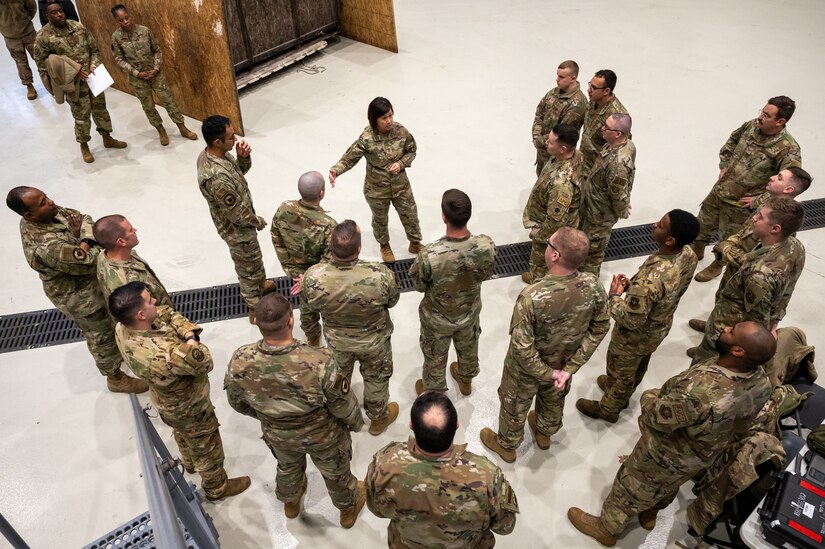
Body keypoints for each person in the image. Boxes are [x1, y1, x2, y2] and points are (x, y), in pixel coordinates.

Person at [567, 320, 775, 547]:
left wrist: (649, 396)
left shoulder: (700, 391)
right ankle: (649, 514)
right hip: (702, 454)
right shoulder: (761, 381)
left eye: (732, 332)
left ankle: (607, 528)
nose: (726, 328)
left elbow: (658, 418)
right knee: (669, 486)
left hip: (667, 452)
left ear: (738, 351)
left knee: (632, 485)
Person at [224, 293, 366, 527]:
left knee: (287, 466)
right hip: (323, 435)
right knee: (336, 472)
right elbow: (341, 403)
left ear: (257, 324)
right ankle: (347, 509)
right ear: (291, 320)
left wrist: (267, 416)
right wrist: (356, 422)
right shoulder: (319, 360)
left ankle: (291, 502)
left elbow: (237, 402)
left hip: (278, 435)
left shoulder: (240, 360)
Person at [110, 282, 250, 501]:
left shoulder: (123, 328)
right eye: (149, 300)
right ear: (140, 314)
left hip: (165, 401)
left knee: (182, 434)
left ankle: (189, 462)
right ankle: (217, 487)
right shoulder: (165, 354)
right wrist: (191, 338)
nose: (154, 301)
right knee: (206, 445)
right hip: (190, 406)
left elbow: (166, 312)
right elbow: (204, 361)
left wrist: (183, 330)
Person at [481, 227, 609, 463]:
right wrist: (568, 369)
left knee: (515, 405)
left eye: (549, 244)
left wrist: (546, 372)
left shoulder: (531, 296)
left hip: (526, 372)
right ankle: (544, 433)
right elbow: (600, 327)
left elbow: (522, 348)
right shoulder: (594, 285)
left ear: (555, 255)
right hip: (563, 365)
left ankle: (507, 445)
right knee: (553, 400)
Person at [6, 186, 147, 394]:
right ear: (30, 215)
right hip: (80, 297)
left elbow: (83, 218)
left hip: (92, 282)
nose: (51, 202)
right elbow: (88, 261)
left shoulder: (47, 212)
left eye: (46, 197)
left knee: (116, 320)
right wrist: (90, 244)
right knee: (101, 336)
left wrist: (83, 243)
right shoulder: (45, 246)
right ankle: (115, 378)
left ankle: (126, 350)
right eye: (43, 202)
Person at [576, 209, 699, 423]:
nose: (654, 225)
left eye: (660, 225)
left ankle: (609, 408)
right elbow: (670, 291)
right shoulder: (688, 255)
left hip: (634, 338)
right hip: (658, 327)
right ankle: (622, 393)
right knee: (639, 365)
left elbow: (631, 320)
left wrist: (614, 296)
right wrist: (633, 288)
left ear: (670, 240)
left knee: (620, 372)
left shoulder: (651, 280)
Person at [366, 391, 519, 548]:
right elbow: (505, 526)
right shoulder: (487, 477)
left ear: (411, 426)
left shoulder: (384, 463)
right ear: (457, 425)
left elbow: (377, 510)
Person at [300, 220, 401, 435]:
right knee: (376, 379)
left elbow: (308, 309)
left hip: (338, 343)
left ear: (332, 247)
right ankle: (378, 419)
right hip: (374, 342)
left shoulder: (313, 278)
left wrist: (311, 335)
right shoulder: (380, 275)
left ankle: (347, 419)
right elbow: (392, 301)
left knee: (339, 381)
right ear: (359, 248)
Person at [689, 197, 806, 364]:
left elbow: (756, 322)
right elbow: (788, 291)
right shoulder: (795, 246)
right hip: (738, 322)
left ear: (775, 228)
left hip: (730, 327)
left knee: (705, 366)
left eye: (761, 217)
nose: (754, 218)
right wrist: (775, 322)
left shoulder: (760, 275)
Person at [693, 97, 802, 267]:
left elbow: (787, 188)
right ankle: (696, 251)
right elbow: (733, 139)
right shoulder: (752, 126)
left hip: (739, 206)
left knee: (728, 240)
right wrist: (725, 164)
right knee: (702, 225)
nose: (760, 117)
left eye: (766, 115)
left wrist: (758, 200)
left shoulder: (788, 150)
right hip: (719, 191)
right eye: (762, 112)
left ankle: (716, 266)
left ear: (780, 121)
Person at [409, 189, 496, 396]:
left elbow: (419, 285)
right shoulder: (486, 245)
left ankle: (433, 388)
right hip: (469, 313)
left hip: (437, 319)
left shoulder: (430, 254)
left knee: (435, 355)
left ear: (443, 217)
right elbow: (486, 273)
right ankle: (465, 380)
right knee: (468, 348)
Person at [196, 114, 274, 324]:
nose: (236, 140)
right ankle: (254, 305)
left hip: (241, 222)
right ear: (217, 141)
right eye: (231, 137)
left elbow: (239, 175)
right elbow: (236, 214)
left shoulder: (218, 155)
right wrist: (257, 221)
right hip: (237, 230)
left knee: (254, 261)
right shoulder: (216, 176)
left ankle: (259, 285)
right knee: (247, 267)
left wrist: (242, 158)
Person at [329, 97, 424, 263]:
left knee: (410, 214)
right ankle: (384, 245)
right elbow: (350, 158)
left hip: (400, 185)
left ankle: (415, 243)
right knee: (380, 219)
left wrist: (401, 163)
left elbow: (411, 151)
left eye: (390, 116)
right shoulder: (367, 138)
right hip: (376, 189)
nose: (389, 121)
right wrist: (336, 170)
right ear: (374, 119)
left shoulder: (400, 131)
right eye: (384, 118)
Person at [33, 1, 127, 163]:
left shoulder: (77, 26)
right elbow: (43, 64)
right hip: (73, 84)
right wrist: (72, 74)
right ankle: (84, 145)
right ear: (46, 16)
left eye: (60, 11)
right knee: (81, 116)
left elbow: (94, 49)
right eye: (54, 13)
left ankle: (107, 138)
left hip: (93, 77)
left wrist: (93, 64)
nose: (59, 14)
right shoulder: (43, 37)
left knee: (101, 110)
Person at [693, 166, 811, 283]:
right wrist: (732, 242)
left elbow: (761, 263)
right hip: (734, 269)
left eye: (779, 178)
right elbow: (745, 230)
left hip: (746, 278)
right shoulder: (768, 204)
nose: (771, 177)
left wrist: (727, 250)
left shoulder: (783, 223)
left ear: (788, 189)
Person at [109, 4, 197, 145]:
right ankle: (161, 131)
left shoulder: (144, 31)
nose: (125, 22)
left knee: (169, 101)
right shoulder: (116, 37)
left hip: (156, 74)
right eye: (121, 20)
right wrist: (137, 73)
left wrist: (156, 68)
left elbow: (157, 50)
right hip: (138, 79)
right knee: (148, 106)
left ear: (130, 15)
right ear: (116, 20)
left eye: (127, 18)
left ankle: (182, 128)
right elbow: (119, 59)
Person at [521, 124, 582, 284]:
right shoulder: (573, 155)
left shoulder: (561, 184)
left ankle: (538, 281)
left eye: (551, 141)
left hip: (548, 231)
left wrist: (540, 236)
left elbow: (556, 220)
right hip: (552, 219)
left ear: (562, 149)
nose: (546, 142)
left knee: (541, 265)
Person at [579, 113, 636, 275]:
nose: (602, 129)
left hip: (599, 216)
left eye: (606, 127)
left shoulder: (617, 164)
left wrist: (623, 205)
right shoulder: (618, 145)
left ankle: (587, 286)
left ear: (618, 134)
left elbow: (617, 195)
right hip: (592, 206)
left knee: (592, 254)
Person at [92, 214, 173, 308]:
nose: (135, 230)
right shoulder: (127, 285)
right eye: (130, 230)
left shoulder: (105, 255)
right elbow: (144, 315)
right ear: (121, 242)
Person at [270, 171, 337, 280]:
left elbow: (276, 236)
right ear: (321, 193)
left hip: (292, 270)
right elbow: (328, 260)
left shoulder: (285, 208)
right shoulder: (328, 225)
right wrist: (307, 279)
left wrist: (289, 267)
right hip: (315, 279)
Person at [531, 59, 587, 175]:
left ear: (573, 78)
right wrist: (537, 135)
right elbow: (539, 112)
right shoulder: (554, 92)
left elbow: (563, 134)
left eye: (561, 77)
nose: (557, 79)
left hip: (557, 158)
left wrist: (538, 141)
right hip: (544, 152)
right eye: (557, 75)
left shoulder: (577, 104)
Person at [579, 69, 630, 177]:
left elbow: (622, 148)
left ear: (606, 91)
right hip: (583, 166)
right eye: (589, 85)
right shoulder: (593, 101)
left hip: (598, 174)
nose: (588, 90)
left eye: (594, 88)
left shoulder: (618, 116)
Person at [0, 0, 38, 100]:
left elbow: (32, 7)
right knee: (21, 62)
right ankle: (29, 86)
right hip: (10, 37)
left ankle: (51, 80)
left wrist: (26, 21)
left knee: (40, 56)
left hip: (28, 32)